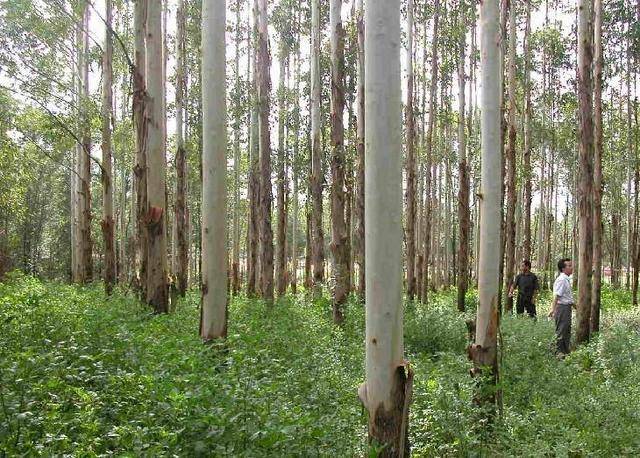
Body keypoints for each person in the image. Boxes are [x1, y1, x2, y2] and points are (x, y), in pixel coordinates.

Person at [548, 258, 575, 356]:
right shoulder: (562, 280)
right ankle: (556, 351)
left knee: (566, 329)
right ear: (563, 269)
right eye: (569, 266)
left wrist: (575, 306)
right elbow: (557, 296)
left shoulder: (566, 279)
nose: (572, 268)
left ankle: (564, 351)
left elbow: (567, 297)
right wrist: (553, 309)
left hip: (566, 307)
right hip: (562, 308)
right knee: (561, 329)